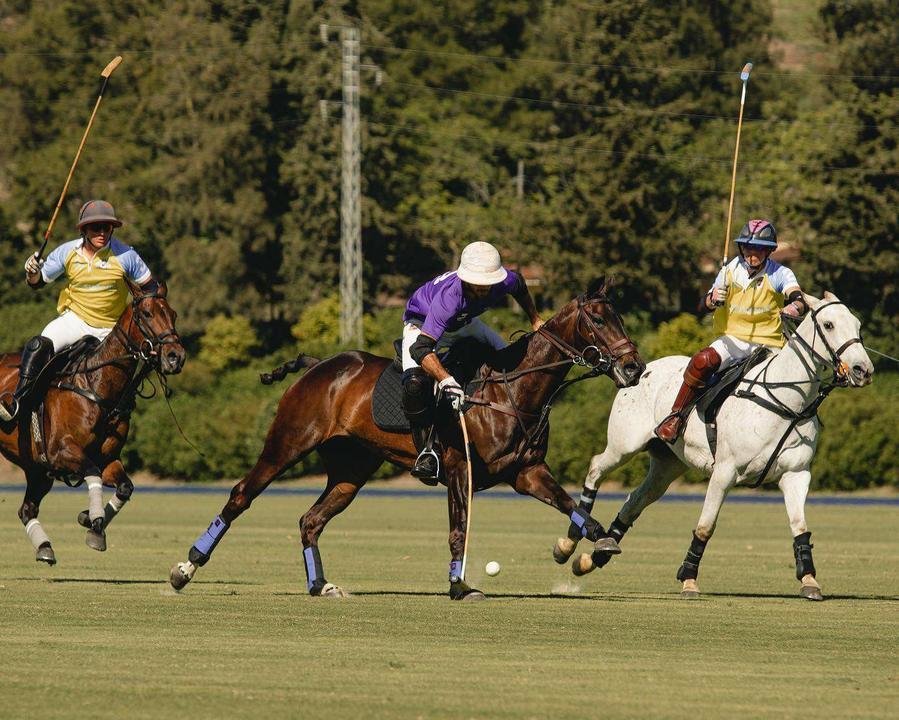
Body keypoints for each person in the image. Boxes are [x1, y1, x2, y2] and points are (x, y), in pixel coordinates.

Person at [0, 199, 158, 423]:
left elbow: (151, 290)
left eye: (107, 227)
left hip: (112, 330)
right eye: (96, 227)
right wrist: (32, 271)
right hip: (76, 320)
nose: (103, 232)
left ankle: (119, 414)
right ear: (84, 230)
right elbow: (37, 282)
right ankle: (20, 402)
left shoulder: (126, 256)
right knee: (39, 345)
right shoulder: (68, 252)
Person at [654, 219, 806, 444]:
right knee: (702, 360)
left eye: (759, 248)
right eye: (748, 247)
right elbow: (701, 306)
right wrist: (713, 298)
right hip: (733, 341)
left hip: (770, 344)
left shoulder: (780, 273)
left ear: (769, 250)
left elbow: (798, 297)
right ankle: (675, 417)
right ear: (741, 247)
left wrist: (794, 306)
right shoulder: (729, 271)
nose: (752, 253)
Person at [401, 241, 543, 480]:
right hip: (421, 325)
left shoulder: (502, 281)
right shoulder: (449, 298)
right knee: (415, 384)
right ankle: (427, 452)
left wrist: (535, 319)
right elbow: (421, 347)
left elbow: (518, 283)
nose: (484, 289)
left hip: (465, 324)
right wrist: (446, 380)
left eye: (488, 283)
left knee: (510, 361)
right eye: (478, 284)